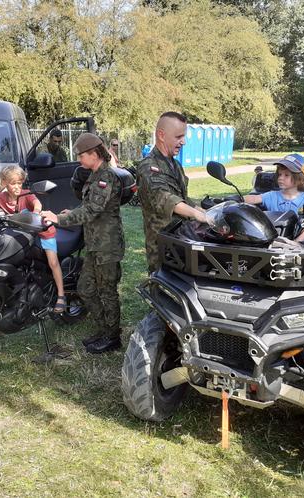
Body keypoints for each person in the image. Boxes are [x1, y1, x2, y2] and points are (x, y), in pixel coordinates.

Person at [41, 133, 124, 354]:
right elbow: (89, 206)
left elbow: (92, 210)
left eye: (81, 155)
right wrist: (72, 212)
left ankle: (113, 337)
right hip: (95, 244)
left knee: (107, 293)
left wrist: (59, 218)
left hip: (107, 246)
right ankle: (103, 329)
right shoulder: (94, 175)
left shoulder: (106, 177)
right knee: (85, 288)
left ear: (94, 154)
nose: (78, 160)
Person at [0, 165, 66, 313]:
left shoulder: (26, 194)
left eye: (19, 183)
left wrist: (35, 213)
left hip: (42, 231)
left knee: (53, 262)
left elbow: (37, 203)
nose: (17, 187)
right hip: (22, 235)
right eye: (12, 183)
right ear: (4, 182)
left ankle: (61, 295)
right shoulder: (0, 197)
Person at [136, 112, 207, 273]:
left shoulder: (174, 165)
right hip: (162, 246)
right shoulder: (149, 167)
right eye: (179, 137)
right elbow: (166, 198)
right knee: (163, 292)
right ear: (161, 135)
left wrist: (203, 211)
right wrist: (198, 216)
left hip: (182, 240)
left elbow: (182, 198)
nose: (184, 141)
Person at [244, 153, 304, 241]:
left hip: (300, 243)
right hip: (275, 241)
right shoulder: (272, 196)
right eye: (280, 174)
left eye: (286, 175)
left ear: (299, 179)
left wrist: (296, 245)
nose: (280, 178)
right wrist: (237, 199)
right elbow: (254, 198)